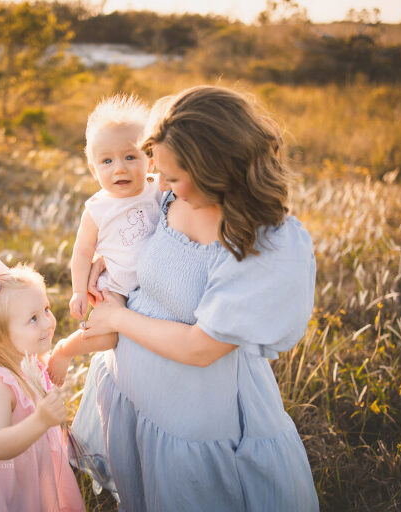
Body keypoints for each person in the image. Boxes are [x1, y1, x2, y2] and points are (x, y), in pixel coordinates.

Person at [72, 86, 320, 510]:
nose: (160, 183)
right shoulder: (168, 194)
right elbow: (136, 239)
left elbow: (201, 348)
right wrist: (103, 260)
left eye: (171, 175)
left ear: (215, 170)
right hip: (138, 397)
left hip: (197, 422)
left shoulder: (265, 245)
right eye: (159, 171)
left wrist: (116, 319)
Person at [0, 256, 84, 512]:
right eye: (33, 319)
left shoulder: (30, 361)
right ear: (0, 337)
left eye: (46, 309)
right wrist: (40, 420)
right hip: (6, 475)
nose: (47, 322)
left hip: (32, 461)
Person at [48, 94, 162, 386]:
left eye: (130, 156)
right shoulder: (97, 209)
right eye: (107, 161)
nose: (119, 168)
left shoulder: (156, 188)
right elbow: (82, 253)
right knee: (109, 336)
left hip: (153, 283)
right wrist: (77, 291)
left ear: (150, 160)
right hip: (114, 286)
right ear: (94, 170)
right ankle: (65, 350)